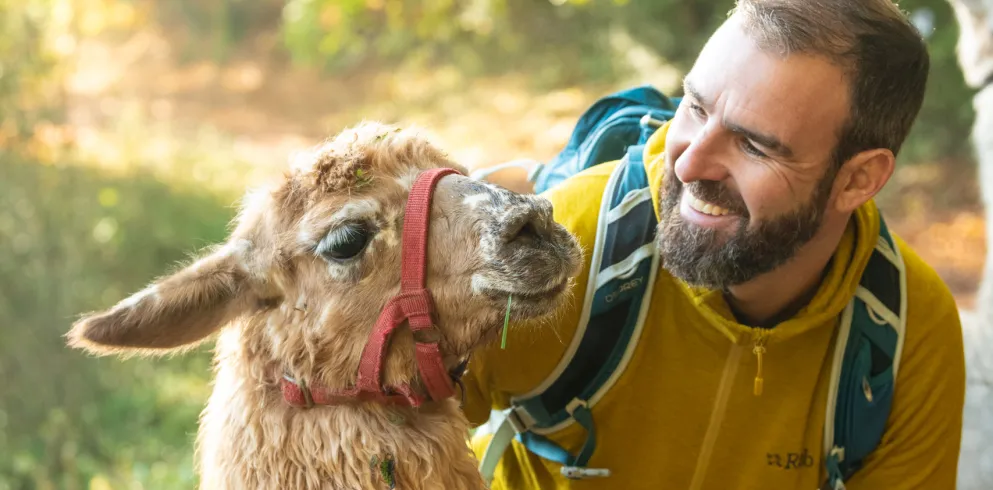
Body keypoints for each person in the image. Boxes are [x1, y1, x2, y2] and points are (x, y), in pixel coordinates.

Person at [460, 0, 967, 488]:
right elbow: (409, 436)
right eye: (696, 109)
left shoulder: (906, 331)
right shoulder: (573, 248)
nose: (688, 164)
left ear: (858, 179)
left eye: (754, 145)